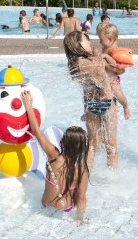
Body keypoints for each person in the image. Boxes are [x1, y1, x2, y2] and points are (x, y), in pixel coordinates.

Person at [21, 91, 89, 223]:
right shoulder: (81, 170)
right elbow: (81, 198)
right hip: (66, 209)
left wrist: (28, 104)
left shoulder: (54, 155)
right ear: (82, 148)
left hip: (45, 206)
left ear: (63, 142)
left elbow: (36, 130)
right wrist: (79, 219)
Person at [63, 31, 118, 168]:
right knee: (111, 144)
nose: (89, 42)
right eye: (86, 39)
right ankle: (113, 175)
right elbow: (112, 71)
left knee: (93, 144)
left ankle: (86, 174)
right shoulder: (90, 63)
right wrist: (101, 58)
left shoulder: (77, 63)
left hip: (91, 105)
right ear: (79, 44)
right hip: (106, 101)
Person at [98, 24, 131, 120]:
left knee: (119, 96)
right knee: (99, 96)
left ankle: (125, 107)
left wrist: (106, 56)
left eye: (101, 40)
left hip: (113, 79)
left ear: (111, 39)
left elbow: (115, 64)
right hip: (104, 78)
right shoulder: (105, 47)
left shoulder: (114, 49)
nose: (100, 42)